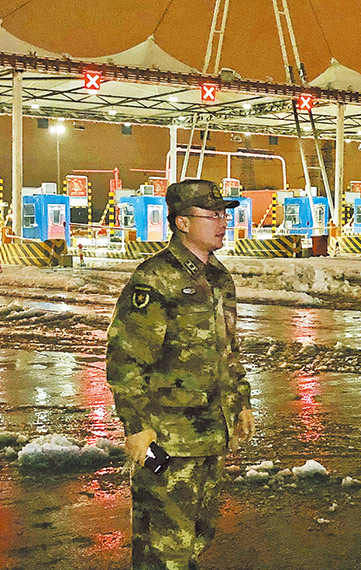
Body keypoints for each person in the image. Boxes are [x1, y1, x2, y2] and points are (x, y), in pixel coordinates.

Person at [106, 179, 255, 570]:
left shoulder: (218, 278)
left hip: (211, 435)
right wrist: (137, 427)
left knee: (198, 536)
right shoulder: (155, 279)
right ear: (183, 222)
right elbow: (126, 358)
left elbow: (228, 351)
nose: (223, 222)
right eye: (213, 214)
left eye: (224, 214)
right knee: (163, 546)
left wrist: (241, 402)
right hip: (167, 440)